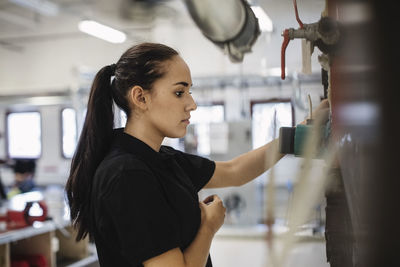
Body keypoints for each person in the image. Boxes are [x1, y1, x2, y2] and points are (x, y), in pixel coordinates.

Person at [66, 42, 329, 267]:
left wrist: (298, 134)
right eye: (179, 92)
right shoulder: (127, 175)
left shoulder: (161, 158)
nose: (191, 104)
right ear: (140, 98)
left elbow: (235, 171)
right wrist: (208, 227)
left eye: (189, 92)